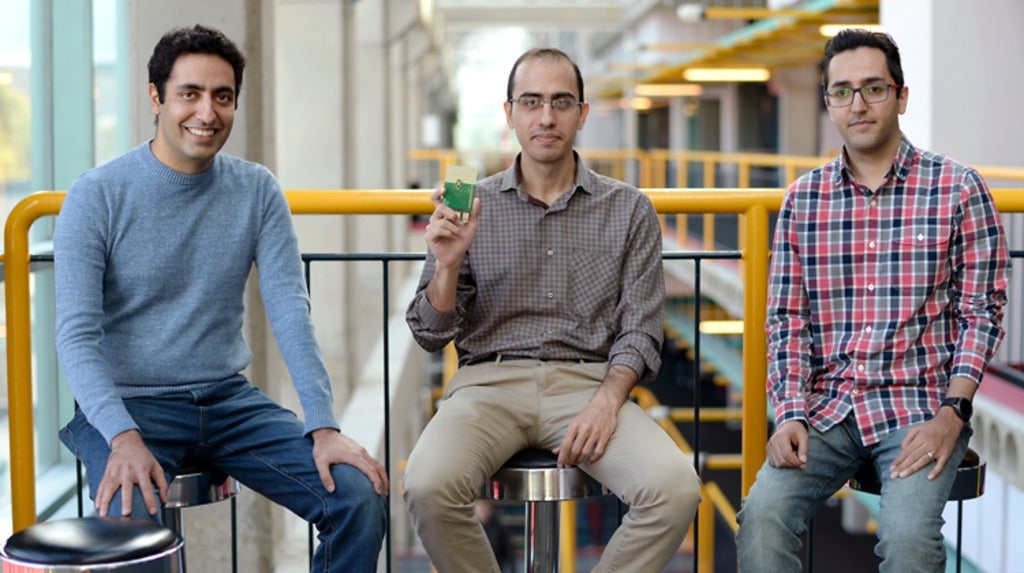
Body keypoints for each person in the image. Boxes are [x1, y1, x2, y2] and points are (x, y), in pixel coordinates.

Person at [53, 24, 387, 573]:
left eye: (222, 96)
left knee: (356, 495)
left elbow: (289, 311)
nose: (207, 112)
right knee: (133, 532)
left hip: (226, 400)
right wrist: (122, 435)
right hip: (127, 405)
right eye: (189, 93)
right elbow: (76, 334)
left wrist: (324, 426)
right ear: (156, 97)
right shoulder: (97, 194)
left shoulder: (256, 190)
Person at [403, 47, 701, 573]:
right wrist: (447, 264)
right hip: (487, 386)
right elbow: (429, 332)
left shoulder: (629, 207)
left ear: (583, 113)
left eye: (561, 102)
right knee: (427, 487)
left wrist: (610, 399)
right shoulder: (468, 197)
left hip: (589, 385)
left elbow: (641, 328)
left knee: (675, 490)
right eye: (532, 102)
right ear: (510, 113)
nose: (546, 117)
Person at [735, 28, 1009, 572]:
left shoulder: (958, 189)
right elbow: (787, 320)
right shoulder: (802, 200)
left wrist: (952, 414)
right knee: (761, 519)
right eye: (841, 91)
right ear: (827, 102)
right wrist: (789, 413)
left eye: (873, 88)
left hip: (918, 408)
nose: (857, 104)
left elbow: (983, 312)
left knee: (909, 546)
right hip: (827, 409)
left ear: (901, 96)